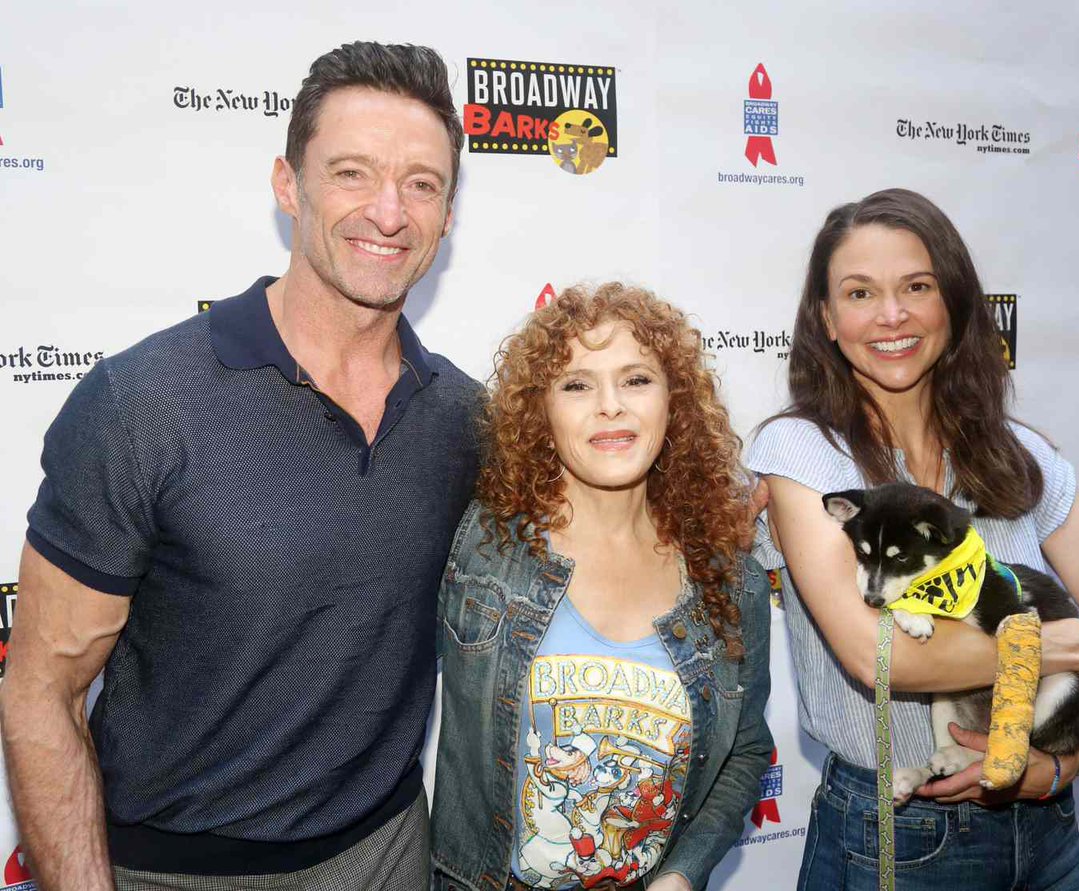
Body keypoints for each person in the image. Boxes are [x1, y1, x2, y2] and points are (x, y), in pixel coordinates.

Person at [0, 42, 480, 890]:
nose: (389, 212)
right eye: (352, 173)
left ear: (446, 218)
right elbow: (42, 689)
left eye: (422, 183)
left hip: (388, 854)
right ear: (288, 185)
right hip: (172, 870)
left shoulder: (465, 420)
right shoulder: (140, 403)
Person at [746, 188, 1079, 889]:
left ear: (956, 301)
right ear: (824, 317)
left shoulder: (1018, 454)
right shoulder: (803, 453)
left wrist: (1062, 761)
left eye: (917, 286)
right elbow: (875, 651)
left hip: (1049, 836)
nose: (892, 315)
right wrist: (1055, 643)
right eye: (859, 292)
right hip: (898, 832)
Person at [429, 283, 773, 891]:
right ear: (542, 411)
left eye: (637, 379)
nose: (610, 406)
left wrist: (683, 875)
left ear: (675, 401)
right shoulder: (481, 545)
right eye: (577, 384)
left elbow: (744, 753)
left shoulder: (728, 574)